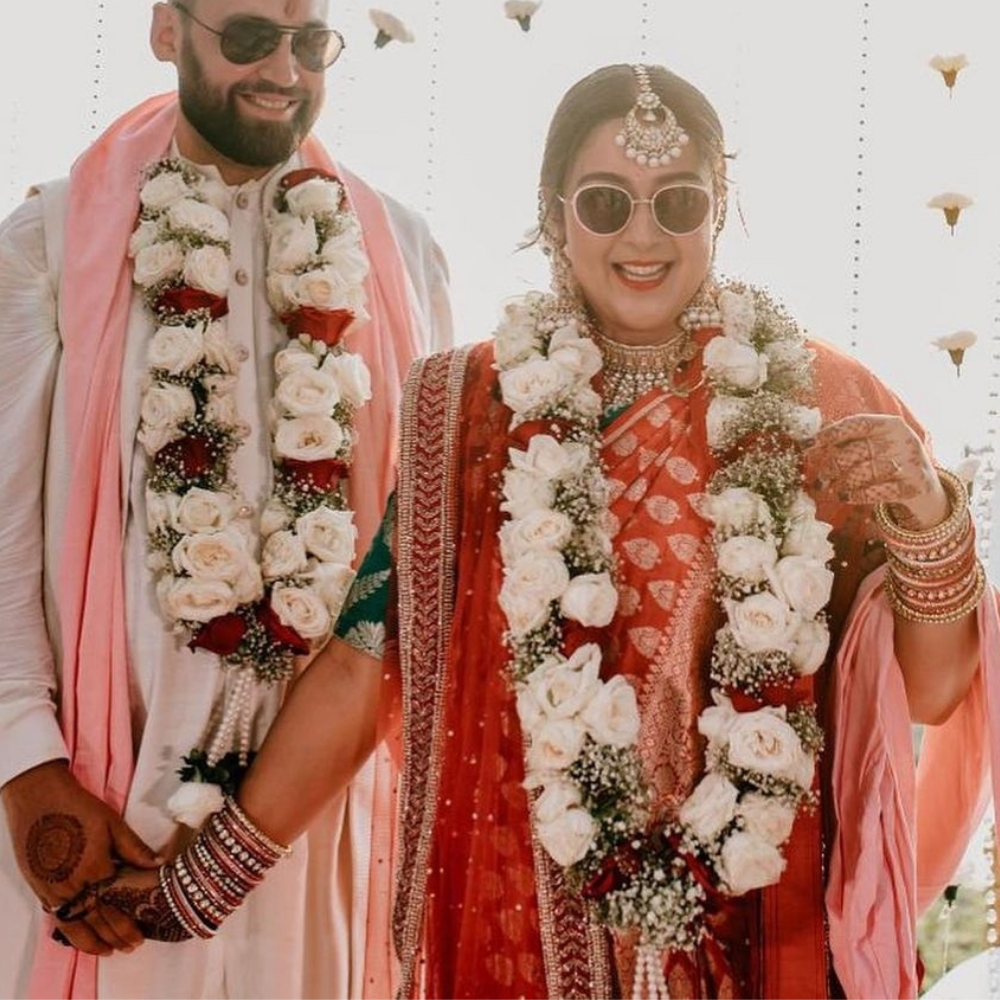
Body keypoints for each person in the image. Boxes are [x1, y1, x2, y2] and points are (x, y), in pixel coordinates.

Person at [102, 62, 999, 999]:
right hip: (517, 928)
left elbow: (933, 691)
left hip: (764, 936)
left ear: (718, 212)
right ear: (555, 209)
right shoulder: (472, 414)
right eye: (607, 202)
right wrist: (202, 882)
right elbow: (362, 656)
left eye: (678, 201)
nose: (643, 235)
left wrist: (931, 517)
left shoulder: (824, 403)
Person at [0, 1, 451, 997]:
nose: (282, 71)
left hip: (318, 823)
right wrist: (24, 764)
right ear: (167, 30)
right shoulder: (49, 237)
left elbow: (417, 561)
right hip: (110, 812)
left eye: (309, 42)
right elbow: (2, 538)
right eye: (248, 38)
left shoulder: (404, 253)